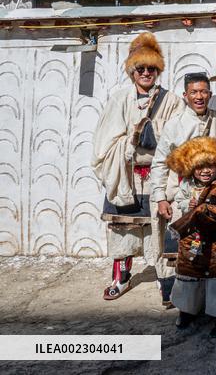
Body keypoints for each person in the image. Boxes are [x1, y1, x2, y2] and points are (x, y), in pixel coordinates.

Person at [91, 32, 182, 301]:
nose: (146, 73)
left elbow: (177, 136)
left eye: (151, 68)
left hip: (158, 175)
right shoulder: (119, 99)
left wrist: (154, 132)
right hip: (126, 176)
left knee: (161, 227)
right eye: (140, 68)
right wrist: (131, 140)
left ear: (158, 70)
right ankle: (121, 276)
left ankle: (164, 277)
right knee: (125, 229)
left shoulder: (172, 100)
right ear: (132, 71)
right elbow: (104, 143)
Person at [150, 72, 216, 304]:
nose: (199, 96)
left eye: (203, 92)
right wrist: (161, 197)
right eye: (194, 92)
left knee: (214, 251)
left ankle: (209, 302)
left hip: (214, 196)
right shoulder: (175, 125)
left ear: (210, 94)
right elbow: (160, 162)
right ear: (186, 95)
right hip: (184, 195)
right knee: (187, 251)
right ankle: (185, 302)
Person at [167, 137, 216, 338]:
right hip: (192, 240)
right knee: (189, 277)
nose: (206, 171)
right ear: (192, 168)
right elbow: (180, 201)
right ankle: (187, 311)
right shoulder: (187, 186)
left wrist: (205, 210)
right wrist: (186, 205)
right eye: (200, 167)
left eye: (210, 165)